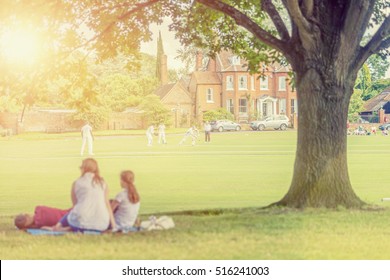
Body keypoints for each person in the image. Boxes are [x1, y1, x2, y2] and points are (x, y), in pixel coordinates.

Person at [51, 158, 116, 232]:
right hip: (101, 225)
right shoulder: (103, 183)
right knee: (79, 214)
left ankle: (58, 226)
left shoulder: (76, 183)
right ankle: (63, 228)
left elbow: (75, 206)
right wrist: (114, 226)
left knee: (74, 212)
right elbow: (107, 204)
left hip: (81, 224)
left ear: (83, 169)